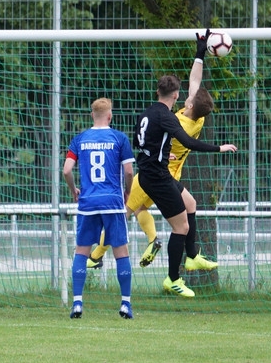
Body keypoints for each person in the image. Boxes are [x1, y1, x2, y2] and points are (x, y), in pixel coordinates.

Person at [133, 30, 238, 298]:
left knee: (190, 204)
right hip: (159, 177)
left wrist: (200, 52)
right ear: (179, 97)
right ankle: (173, 279)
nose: (189, 96)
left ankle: (191, 256)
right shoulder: (178, 120)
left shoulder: (152, 113)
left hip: (154, 171)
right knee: (180, 227)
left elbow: (194, 81)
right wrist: (219, 148)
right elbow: (188, 141)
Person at [87, 87, 216, 270]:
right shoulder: (198, 119)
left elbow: (155, 137)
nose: (187, 96)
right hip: (171, 176)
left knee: (121, 215)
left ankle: (95, 256)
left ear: (191, 105)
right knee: (142, 209)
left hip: (153, 174)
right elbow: (194, 84)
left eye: (191, 97)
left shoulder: (175, 120)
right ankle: (162, 243)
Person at [63, 97, 135, 319]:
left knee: (82, 251)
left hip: (88, 203)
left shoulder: (80, 139)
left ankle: (77, 303)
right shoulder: (119, 138)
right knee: (121, 252)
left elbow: (66, 170)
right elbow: (129, 171)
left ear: (92, 115)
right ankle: (125, 304)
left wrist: (73, 190)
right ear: (110, 116)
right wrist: (128, 192)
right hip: (112, 202)